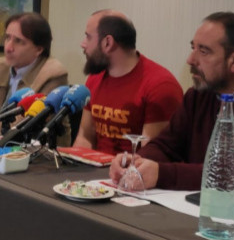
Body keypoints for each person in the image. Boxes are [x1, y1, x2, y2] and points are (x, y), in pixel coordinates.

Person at [109, 12, 234, 205]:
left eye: (203, 51)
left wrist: (162, 174)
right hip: (198, 205)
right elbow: (167, 146)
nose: (190, 59)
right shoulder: (198, 94)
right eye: (193, 48)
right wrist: (136, 161)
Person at [72, 10, 183, 155]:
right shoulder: (95, 78)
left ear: (107, 43)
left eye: (88, 37)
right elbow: (85, 137)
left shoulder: (160, 86)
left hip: (131, 168)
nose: (83, 44)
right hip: (94, 168)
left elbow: (153, 156)